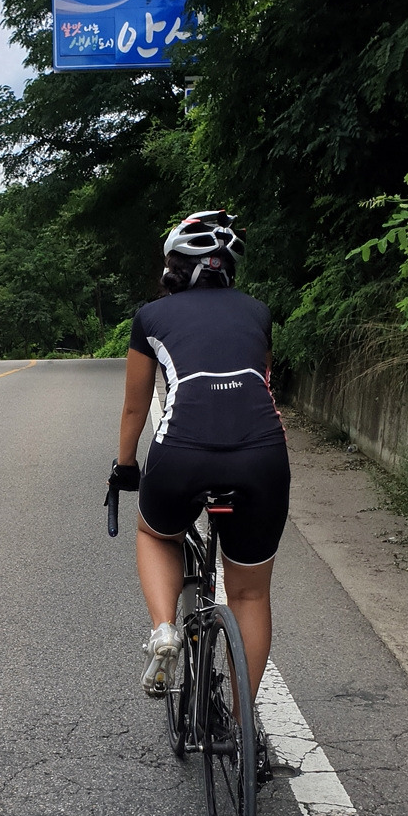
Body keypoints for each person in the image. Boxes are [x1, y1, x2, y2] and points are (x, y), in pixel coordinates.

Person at [110, 209, 290, 701]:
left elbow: (136, 407)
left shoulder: (152, 317)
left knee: (155, 533)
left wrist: (125, 466)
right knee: (250, 592)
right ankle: (244, 724)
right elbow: (263, 385)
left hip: (182, 453)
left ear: (174, 267)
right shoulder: (258, 313)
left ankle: (164, 629)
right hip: (262, 455)